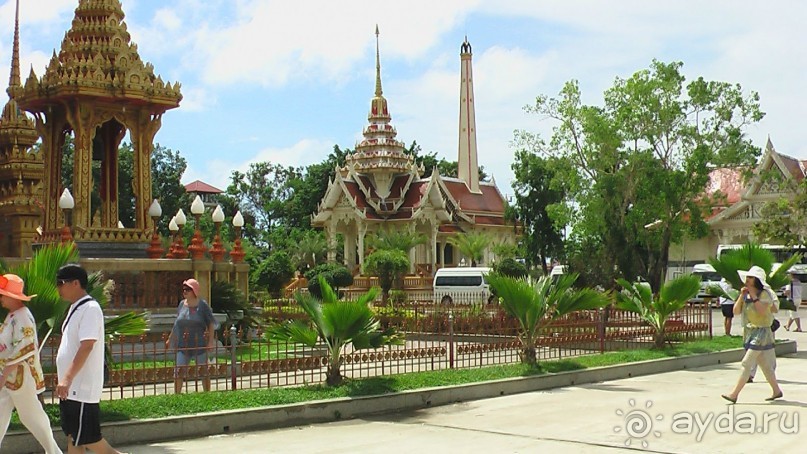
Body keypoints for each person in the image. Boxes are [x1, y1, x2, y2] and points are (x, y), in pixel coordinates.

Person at [55, 264, 124, 453]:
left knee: (91, 440)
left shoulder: (90, 309)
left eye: (61, 283)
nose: (58, 288)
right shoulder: (75, 309)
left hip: (81, 388)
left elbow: (87, 346)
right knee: (74, 438)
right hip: (72, 389)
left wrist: (67, 378)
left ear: (75, 283)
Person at [0, 274, 62, 454]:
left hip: (19, 376)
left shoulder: (23, 316)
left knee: (32, 417)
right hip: (9, 375)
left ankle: (54, 452)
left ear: (12, 297)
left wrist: (4, 376)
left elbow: (25, 347)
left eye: (3, 294)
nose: (1, 298)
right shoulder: (13, 315)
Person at [721, 266, 783, 403]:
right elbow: (736, 311)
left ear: (757, 280)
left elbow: (762, 311)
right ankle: (776, 391)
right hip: (750, 331)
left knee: (746, 362)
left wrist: (753, 295)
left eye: (751, 278)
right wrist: (741, 297)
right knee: (764, 365)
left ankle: (734, 394)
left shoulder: (764, 294)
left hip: (762, 331)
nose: (747, 280)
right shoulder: (745, 294)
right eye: (747, 278)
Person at [165, 278, 217, 394]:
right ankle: (177, 395)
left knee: (203, 371)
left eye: (188, 289)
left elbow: (210, 323)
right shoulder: (181, 304)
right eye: (184, 289)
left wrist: (210, 342)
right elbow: (176, 324)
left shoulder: (202, 305)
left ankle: (207, 394)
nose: (185, 291)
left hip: (199, 344)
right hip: (183, 344)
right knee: (178, 371)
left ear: (194, 291)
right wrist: (170, 339)